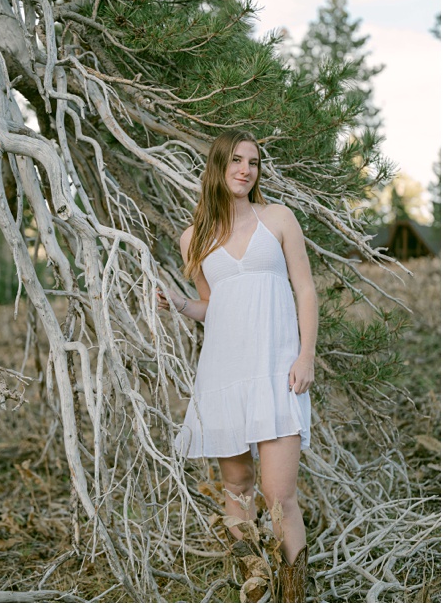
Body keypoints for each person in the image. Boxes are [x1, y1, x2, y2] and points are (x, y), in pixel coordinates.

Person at [157, 130, 316, 602]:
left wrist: (306, 354)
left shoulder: (278, 218)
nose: (246, 170)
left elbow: (306, 289)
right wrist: (180, 304)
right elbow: (213, 307)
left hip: (277, 371)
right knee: (237, 484)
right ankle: (256, 584)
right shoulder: (193, 238)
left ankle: (294, 594)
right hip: (224, 373)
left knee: (279, 494)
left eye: (254, 162)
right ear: (218, 167)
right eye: (236, 161)